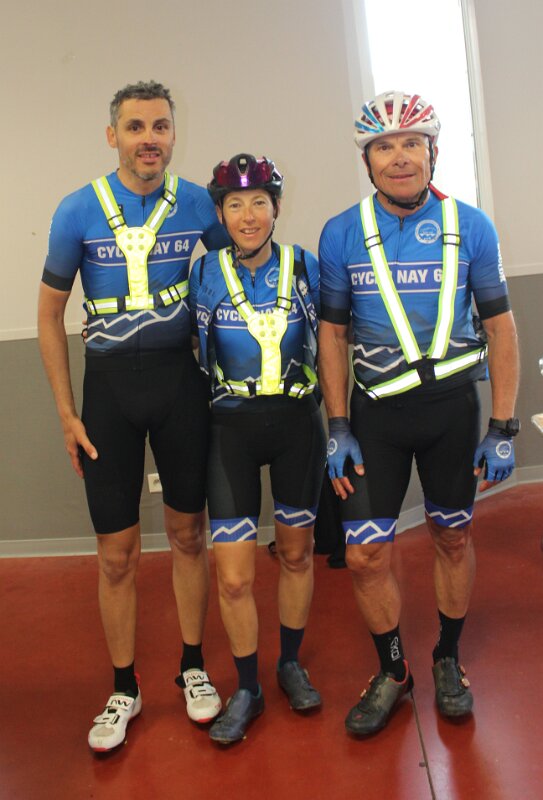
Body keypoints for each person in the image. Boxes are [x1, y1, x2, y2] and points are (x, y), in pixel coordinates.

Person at [318, 91, 520, 736]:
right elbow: (332, 334)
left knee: (452, 537)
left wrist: (502, 426)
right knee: (363, 556)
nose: (399, 157)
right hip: (374, 417)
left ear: (433, 151)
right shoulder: (341, 232)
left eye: (411, 143)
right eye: (384, 147)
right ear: (368, 160)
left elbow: (501, 327)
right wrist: (337, 425)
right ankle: (393, 671)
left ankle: (447, 658)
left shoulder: (472, 226)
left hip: (451, 412)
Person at [38, 81, 230, 752]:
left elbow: (238, 272)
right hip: (109, 396)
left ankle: (192, 666)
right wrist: (66, 413)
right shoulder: (76, 210)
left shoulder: (199, 204)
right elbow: (48, 315)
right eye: (135, 126)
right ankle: (124, 687)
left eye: (160, 126)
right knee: (115, 555)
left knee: (188, 535)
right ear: (112, 135)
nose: (149, 138)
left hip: (181, 387)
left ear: (173, 134)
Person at [190, 154, 326, 744]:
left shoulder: (305, 266)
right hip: (230, 433)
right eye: (235, 205)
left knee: (296, 555)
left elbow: (336, 340)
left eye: (259, 203)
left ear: (276, 208)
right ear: (220, 214)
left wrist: (342, 426)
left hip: (298, 426)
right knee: (234, 577)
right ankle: (247, 688)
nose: (248, 216)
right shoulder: (203, 272)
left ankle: (289, 663)